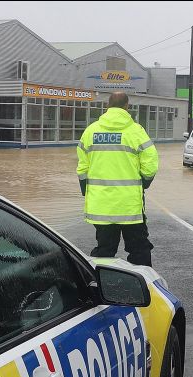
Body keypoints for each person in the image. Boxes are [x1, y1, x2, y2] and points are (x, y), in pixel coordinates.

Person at [76, 92, 159, 266]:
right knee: (139, 250)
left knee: (104, 251)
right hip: (130, 207)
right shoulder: (136, 131)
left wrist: (87, 190)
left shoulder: (90, 131)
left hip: (102, 206)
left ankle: (100, 286)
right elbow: (151, 164)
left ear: (108, 106)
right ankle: (143, 286)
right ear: (126, 106)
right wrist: (143, 183)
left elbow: (82, 169)